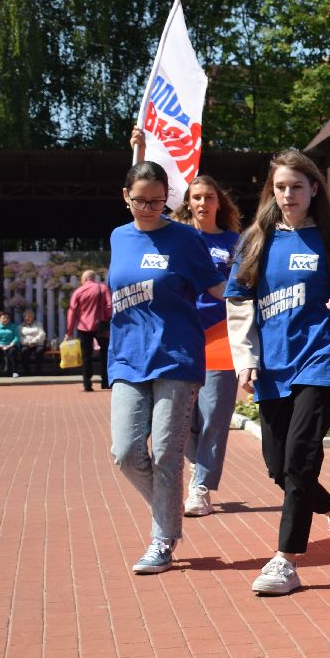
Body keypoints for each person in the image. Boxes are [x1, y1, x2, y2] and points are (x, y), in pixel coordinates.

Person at [226, 149, 330, 597]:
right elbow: (239, 302)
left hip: (320, 360)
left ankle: (285, 560)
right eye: (281, 188)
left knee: (301, 457)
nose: (288, 195)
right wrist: (245, 359)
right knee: (280, 469)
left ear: (314, 189)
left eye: (297, 187)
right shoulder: (256, 241)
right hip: (271, 367)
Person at [107, 161, 227, 574]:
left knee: (165, 453)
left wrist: (259, 284)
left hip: (176, 357)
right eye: (140, 200)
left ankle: (162, 540)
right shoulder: (118, 237)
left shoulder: (186, 239)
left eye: (157, 201)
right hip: (127, 358)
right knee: (125, 452)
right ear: (125, 196)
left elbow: (217, 286)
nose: (148, 208)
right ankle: (169, 508)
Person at [174, 175, 244, 518]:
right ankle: (198, 464)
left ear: (219, 202)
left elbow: (245, 284)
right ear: (189, 202)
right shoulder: (178, 238)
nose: (203, 203)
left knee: (215, 413)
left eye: (209, 197)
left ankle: (201, 487)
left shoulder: (234, 242)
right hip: (183, 337)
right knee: (183, 416)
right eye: (197, 197)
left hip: (222, 337)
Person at [66, 269, 112, 393]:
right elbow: (109, 306)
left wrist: (69, 332)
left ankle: (87, 384)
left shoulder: (78, 291)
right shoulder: (102, 288)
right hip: (101, 326)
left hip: (84, 327)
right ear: (93, 278)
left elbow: (72, 312)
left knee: (86, 356)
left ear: (85, 279)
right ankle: (106, 382)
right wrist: (107, 318)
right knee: (105, 355)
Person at [0, 311, 21, 378]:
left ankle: (15, 372)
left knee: (12, 351)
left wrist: (10, 345)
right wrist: (1, 345)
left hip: (11, 345)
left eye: (7, 318)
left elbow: (17, 337)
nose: (5, 319)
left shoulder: (14, 326)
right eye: (3, 318)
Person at [17, 310, 48, 376]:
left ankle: (38, 371)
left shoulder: (38, 324)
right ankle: (27, 371)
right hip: (26, 344)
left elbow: (42, 334)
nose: (27, 318)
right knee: (24, 351)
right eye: (25, 316)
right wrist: (28, 342)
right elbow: (20, 337)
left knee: (39, 350)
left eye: (29, 316)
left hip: (37, 343)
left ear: (33, 317)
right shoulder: (20, 326)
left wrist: (34, 341)